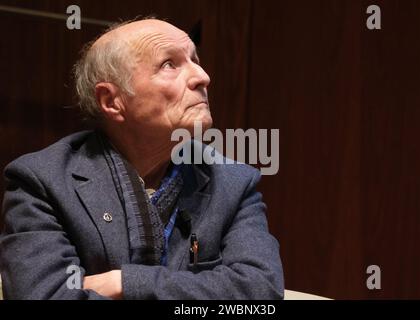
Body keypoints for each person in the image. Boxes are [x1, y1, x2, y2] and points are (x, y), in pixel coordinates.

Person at [0, 18, 284, 300]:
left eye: (195, 59)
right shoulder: (43, 181)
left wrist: (124, 282)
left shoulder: (234, 182)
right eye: (169, 64)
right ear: (112, 101)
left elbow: (261, 291)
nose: (202, 76)